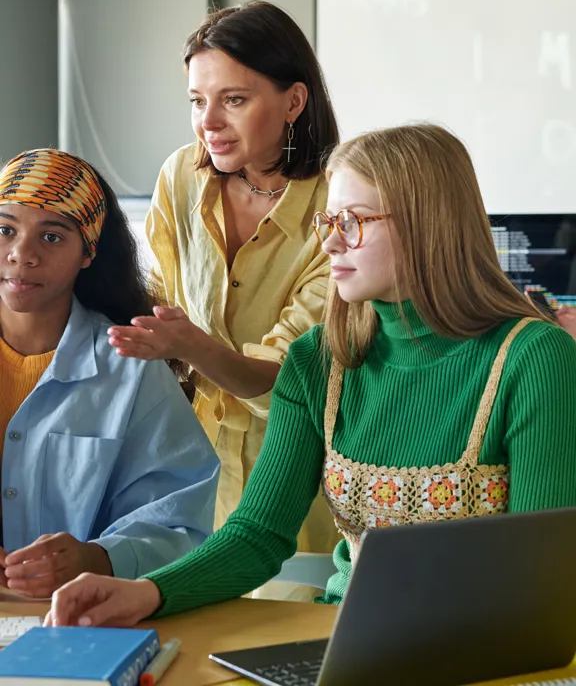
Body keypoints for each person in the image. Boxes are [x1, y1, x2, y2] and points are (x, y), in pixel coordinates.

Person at [45, 123, 576, 627]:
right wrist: (149, 591)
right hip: (344, 640)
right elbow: (258, 535)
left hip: (487, 655)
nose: (330, 244)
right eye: (329, 222)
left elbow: (542, 573)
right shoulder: (316, 360)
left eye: (353, 223)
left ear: (426, 224)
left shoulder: (534, 359)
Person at [105, 1, 341, 589]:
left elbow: (291, 375)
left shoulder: (338, 202)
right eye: (196, 100)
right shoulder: (180, 175)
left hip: (294, 484)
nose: (208, 121)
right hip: (186, 476)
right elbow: (151, 293)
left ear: (293, 100)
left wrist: (191, 345)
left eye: (233, 99)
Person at [0, 148, 219, 598]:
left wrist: (97, 558)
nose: (22, 255)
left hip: (82, 625)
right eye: (4, 230)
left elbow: (182, 523)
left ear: (88, 253)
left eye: (53, 237)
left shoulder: (132, 370)